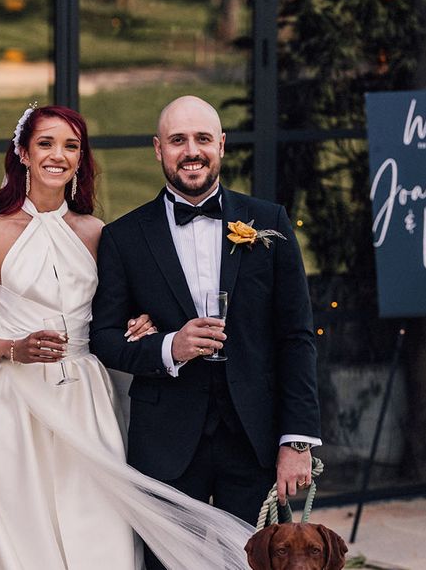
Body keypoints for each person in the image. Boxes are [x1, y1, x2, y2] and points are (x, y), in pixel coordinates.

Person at [0, 104, 255, 570]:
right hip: (12, 404)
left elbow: (112, 317)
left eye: (71, 146)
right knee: (20, 536)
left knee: (100, 531)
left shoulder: (97, 233)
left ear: (81, 159)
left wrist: (140, 324)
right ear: (24, 155)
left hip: (86, 400)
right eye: (45, 144)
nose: (59, 155)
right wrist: (13, 348)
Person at [90, 95, 322, 569]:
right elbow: (104, 337)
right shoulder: (123, 237)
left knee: (252, 563)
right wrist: (168, 347)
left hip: (254, 439)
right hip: (166, 441)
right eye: (178, 140)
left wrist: (296, 441)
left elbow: (296, 336)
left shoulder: (269, 222)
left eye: (201, 139)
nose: (190, 151)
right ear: (158, 149)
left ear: (221, 144)